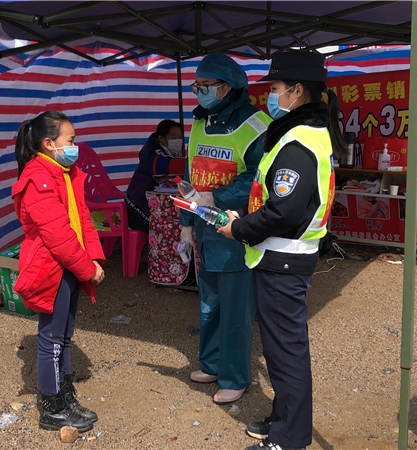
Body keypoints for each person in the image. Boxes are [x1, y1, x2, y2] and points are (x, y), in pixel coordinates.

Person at [217, 50, 346, 450]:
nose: (269, 96)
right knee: (278, 349)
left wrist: (238, 228)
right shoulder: (301, 133)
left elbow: (283, 210)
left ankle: (289, 438)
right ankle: (283, 420)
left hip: (283, 256)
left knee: (286, 353)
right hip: (282, 254)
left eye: (274, 89)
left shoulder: (299, 142)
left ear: (296, 91)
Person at [179, 53, 271, 405]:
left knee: (236, 310)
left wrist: (216, 196)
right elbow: (191, 178)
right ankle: (213, 364)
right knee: (209, 304)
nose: (199, 93)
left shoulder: (257, 125)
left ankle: (235, 377)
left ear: (227, 87)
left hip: (237, 230)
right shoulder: (201, 123)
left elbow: (258, 178)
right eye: (196, 86)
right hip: (205, 231)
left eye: (205, 87)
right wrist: (187, 225)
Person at [11, 111, 106, 433]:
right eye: (71, 140)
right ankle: (52, 406)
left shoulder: (64, 172)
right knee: (51, 338)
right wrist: (86, 267)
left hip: (69, 264)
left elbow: (82, 218)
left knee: (64, 335)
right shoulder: (38, 178)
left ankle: (65, 396)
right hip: (52, 267)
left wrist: (93, 259)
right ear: (49, 143)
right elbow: (57, 235)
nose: (75, 146)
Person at [125, 119, 187, 232]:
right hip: (138, 205)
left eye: (180, 137)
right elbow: (169, 165)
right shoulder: (151, 154)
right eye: (173, 137)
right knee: (169, 225)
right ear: (161, 138)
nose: (178, 141)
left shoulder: (172, 152)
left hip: (160, 201)